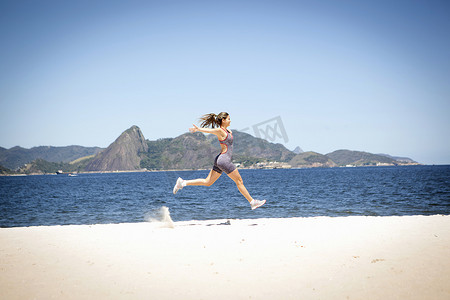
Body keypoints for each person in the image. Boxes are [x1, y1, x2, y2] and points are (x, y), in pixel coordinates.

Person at [173, 112, 266, 210]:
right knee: (239, 181)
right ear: (223, 120)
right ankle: (252, 202)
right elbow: (210, 131)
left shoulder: (227, 131)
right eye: (229, 118)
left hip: (220, 159)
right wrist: (198, 129)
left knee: (208, 182)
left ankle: (182, 183)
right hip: (224, 160)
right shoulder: (220, 130)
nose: (230, 120)